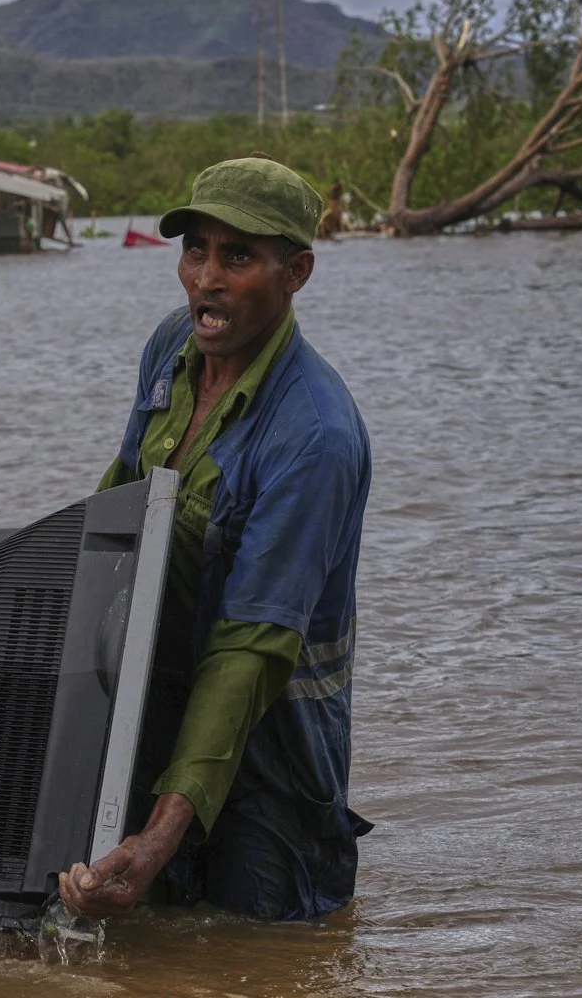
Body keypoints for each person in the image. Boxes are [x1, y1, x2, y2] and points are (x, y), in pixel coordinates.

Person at [58, 157, 373, 921]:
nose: (207, 279)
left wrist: (161, 835)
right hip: (158, 704)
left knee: (256, 951)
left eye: (238, 257)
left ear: (296, 271)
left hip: (274, 744)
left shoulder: (314, 436)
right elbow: (118, 511)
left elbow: (250, 649)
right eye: (197, 250)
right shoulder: (173, 346)